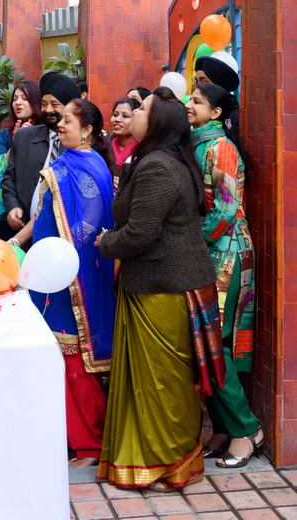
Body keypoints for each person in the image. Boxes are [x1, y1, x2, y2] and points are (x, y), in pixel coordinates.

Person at [96, 89, 217, 490]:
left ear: (159, 122)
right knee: (157, 381)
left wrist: (105, 243)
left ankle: (170, 464)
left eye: (143, 109)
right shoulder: (157, 160)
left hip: (164, 285)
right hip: (159, 283)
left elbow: (140, 234)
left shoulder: (157, 167)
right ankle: (161, 460)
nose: (133, 113)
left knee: (163, 382)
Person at [25, 100, 116, 463]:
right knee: (60, 357)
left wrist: (61, 263)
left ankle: (91, 441)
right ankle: (72, 435)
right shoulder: (68, 164)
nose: (59, 125)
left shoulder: (87, 167)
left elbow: (90, 226)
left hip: (69, 280)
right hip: (50, 274)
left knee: (74, 356)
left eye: (67, 120)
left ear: (87, 130)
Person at [187, 84, 262, 467]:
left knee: (217, 343)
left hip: (228, 253)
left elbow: (228, 209)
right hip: (209, 253)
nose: (189, 104)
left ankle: (247, 430)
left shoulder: (221, 149)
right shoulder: (198, 145)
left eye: (197, 101)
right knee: (206, 343)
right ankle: (221, 427)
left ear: (216, 113)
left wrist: (190, 238)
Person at [1, 72, 81, 245]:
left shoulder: (81, 145)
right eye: (44, 104)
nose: (48, 110)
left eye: (55, 104)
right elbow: (9, 178)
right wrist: (12, 207)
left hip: (65, 240)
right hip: (24, 236)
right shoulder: (24, 137)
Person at [194, 55, 241, 142]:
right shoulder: (197, 113)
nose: (198, 87)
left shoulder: (236, 119)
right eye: (197, 81)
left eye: (204, 82)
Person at [0, 80, 42, 157]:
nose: (17, 102)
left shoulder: (48, 132)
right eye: (15, 99)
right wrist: (16, 144)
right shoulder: (5, 134)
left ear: (37, 101)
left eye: (24, 98)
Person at [109, 97, 140, 173]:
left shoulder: (142, 149)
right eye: (115, 115)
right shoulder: (105, 146)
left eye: (125, 116)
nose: (117, 119)